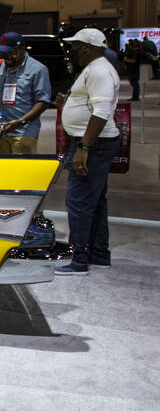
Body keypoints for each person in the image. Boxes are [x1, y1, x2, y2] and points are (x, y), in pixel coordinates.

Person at [55, 28, 120, 276]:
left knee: (78, 202)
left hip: (94, 144)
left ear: (85, 47)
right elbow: (90, 104)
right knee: (94, 201)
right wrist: (69, 102)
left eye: (74, 46)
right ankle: (99, 254)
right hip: (95, 143)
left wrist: (84, 147)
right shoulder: (94, 69)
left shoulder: (100, 70)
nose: (71, 50)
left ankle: (79, 259)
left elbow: (101, 112)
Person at [0, 32, 52, 153]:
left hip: (24, 133)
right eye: (2, 53)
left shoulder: (38, 69)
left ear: (20, 49)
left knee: (22, 169)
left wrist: (21, 121)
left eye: (10, 52)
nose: (6, 57)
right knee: (0, 169)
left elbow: (43, 101)